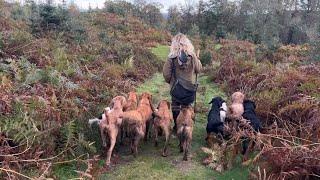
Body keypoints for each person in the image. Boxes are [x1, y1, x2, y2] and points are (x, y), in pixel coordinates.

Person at [163, 33, 202, 133]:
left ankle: (177, 126)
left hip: (176, 88)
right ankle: (187, 126)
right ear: (187, 43)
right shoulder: (192, 56)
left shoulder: (171, 57)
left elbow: (166, 74)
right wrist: (196, 58)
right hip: (189, 87)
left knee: (175, 107)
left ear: (174, 44)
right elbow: (198, 69)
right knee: (187, 107)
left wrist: (170, 82)